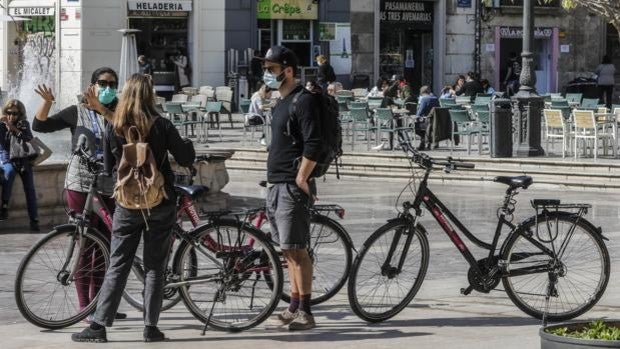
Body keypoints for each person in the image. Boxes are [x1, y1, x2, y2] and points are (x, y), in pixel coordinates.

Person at [71, 74, 196, 343]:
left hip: (127, 204)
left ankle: (99, 326)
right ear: (150, 95)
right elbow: (185, 158)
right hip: (160, 202)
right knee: (155, 267)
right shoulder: (162, 124)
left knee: (118, 263)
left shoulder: (113, 126)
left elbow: (107, 169)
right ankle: (151, 327)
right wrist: (187, 147)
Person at [32, 67, 125, 320]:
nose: (108, 88)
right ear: (91, 85)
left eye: (112, 84)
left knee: (106, 245)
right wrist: (47, 103)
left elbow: (129, 134)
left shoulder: (117, 111)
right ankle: (85, 307)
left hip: (111, 184)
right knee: (85, 244)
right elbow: (40, 125)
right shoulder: (77, 112)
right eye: (103, 83)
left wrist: (105, 109)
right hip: (80, 184)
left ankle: (102, 303)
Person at [261, 45, 321, 330]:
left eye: (272, 69)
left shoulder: (303, 100)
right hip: (276, 184)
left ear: (288, 70)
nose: (267, 74)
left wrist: (301, 178)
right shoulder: (281, 101)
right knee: (287, 251)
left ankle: (306, 313)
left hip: (290, 185)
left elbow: (314, 144)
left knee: (298, 252)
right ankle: (294, 305)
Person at [0, 99, 38, 230]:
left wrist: (13, 129)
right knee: (9, 173)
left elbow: (28, 139)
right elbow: (3, 145)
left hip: (23, 159)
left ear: (20, 114)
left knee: (30, 189)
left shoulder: (24, 124)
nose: (11, 116)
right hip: (8, 158)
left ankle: (34, 220)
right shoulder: (1, 124)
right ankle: (4, 207)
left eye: (15, 113)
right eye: (9, 113)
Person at [415, 86, 439, 151]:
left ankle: (423, 142)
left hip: (427, 121)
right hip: (435, 121)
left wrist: (415, 117)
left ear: (422, 93)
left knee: (415, 126)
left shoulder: (424, 99)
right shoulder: (436, 98)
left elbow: (420, 113)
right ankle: (428, 142)